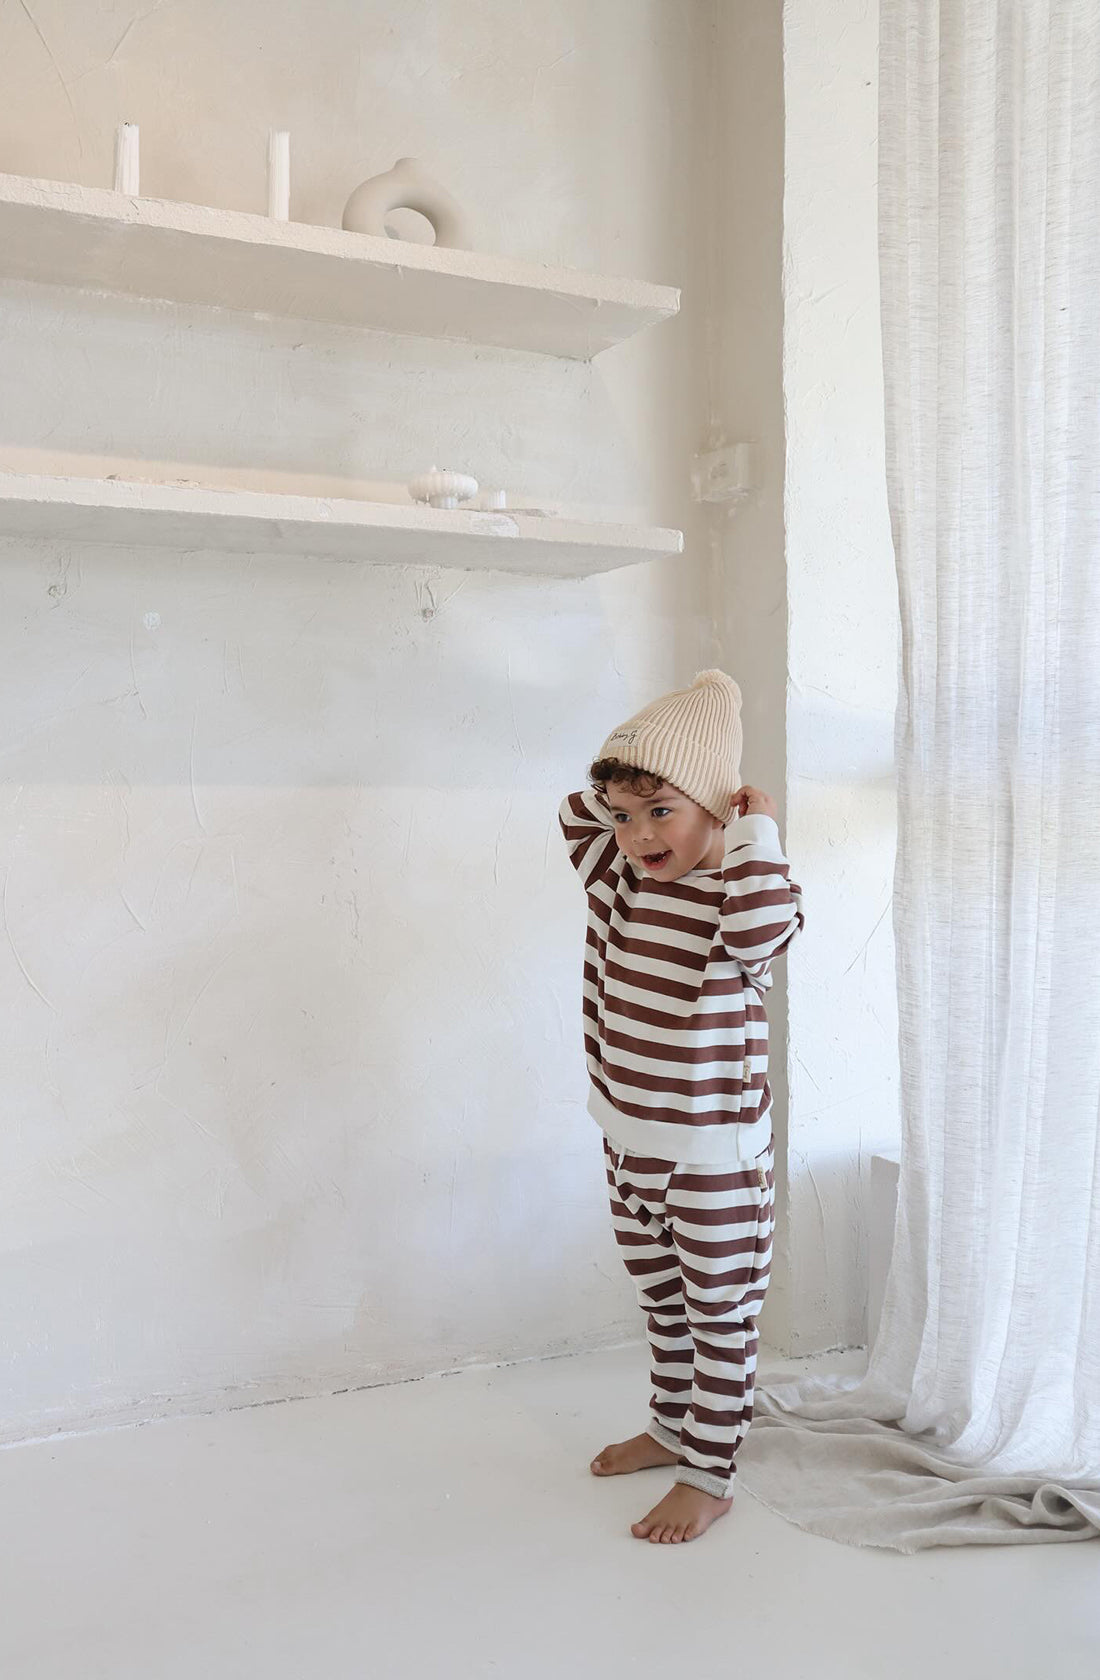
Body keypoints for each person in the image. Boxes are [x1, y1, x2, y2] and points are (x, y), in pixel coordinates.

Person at [558, 669, 803, 1544]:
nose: (635, 834)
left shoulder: (739, 895)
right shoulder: (620, 884)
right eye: (625, 815)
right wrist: (634, 780)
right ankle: (672, 1427)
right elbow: (574, 813)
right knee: (662, 1303)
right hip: (628, 1144)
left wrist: (753, 824)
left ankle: (712, 1473)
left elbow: (765, 931)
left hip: (713, 1158)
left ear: (717, 811)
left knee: (718, 1313)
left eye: (662, 811)